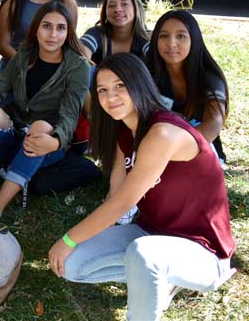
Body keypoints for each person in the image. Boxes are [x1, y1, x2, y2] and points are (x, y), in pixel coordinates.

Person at [49, 53, 235, 321]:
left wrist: (68, 239)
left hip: (204, 251)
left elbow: (122, 204)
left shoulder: (162, 132)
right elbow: (115, 193)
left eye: (120, 86)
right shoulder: (124, 130)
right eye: (102, 89)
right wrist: (89, 241)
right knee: (70, 264)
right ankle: (158, 278)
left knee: (143, 254)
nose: (110, 96)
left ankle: (150, 297)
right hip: (152, 231)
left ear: (139, 83)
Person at [0, 2, 90, 219]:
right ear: (36, 28)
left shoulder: (77, 66)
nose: (53, 34)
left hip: (47, 143)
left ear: (68, 33)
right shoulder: (24, 55)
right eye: (46, 26)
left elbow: (69, 115)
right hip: (15, 133)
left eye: (61, 28)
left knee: (40, 127)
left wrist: (56, 141)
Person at [146, 10, 229, 164]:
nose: (171, 43)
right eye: (163, 36)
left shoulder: (209, 77)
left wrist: (175, 153)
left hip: (201, 150)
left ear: (194, 40)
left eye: (181, 36)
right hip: (157, 150)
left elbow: (214, 123)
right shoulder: (149, 74)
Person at [80, 0, 150, 65]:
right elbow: (80, 57)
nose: (117, 9)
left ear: (136, 8)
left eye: (124, 4)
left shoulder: (146, 36)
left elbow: (155, 60)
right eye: (111, 5)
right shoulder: (96, 33)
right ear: (105, 11)